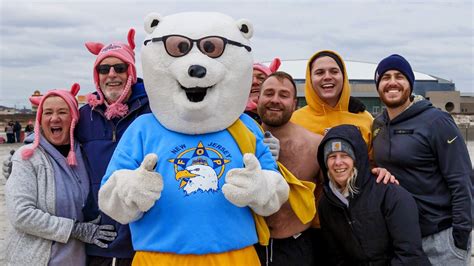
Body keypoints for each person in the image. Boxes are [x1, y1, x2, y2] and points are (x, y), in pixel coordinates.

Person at [372, 54, 473, 265]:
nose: (392, 82)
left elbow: (461, 179)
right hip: (401, 239)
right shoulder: (378, 126)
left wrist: (460, 235)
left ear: (410, 82)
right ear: (378, 85)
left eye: (399, 76)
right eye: (385, 77)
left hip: (440, 238)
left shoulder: (436, 121)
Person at [5, 84, 116, 266]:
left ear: (74, 118)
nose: (54, 118)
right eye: (48, 113)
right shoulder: (28, 157)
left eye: (62, 112)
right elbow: (21, 215)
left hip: (75, 259)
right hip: (34, 259)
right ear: (40, 119)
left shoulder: (84, 155)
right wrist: (75, 229)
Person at [77, 28, 151, 265]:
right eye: (103, 69)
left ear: (131, 72)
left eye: (120, 68)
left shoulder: (153, 110)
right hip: (99, 235)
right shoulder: (84, 116)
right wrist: (26, 155)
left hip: (144, 234)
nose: (112, 74)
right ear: (96, 75)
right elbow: (57, 143)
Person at [317, 124, 430, 265]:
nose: (338, 162)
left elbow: (409, 255)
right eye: (332, 156)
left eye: (345, 155)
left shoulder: (390, 194)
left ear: (357, 158)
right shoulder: (326, 204)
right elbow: (335, 257)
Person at [254, 71, 323, 266]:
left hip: (296, 246)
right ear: (257, 99)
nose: (275, 100)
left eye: (283, 95)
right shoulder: (238, 140)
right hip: (249, 245)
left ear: (294, 103)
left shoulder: (314, 145)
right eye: (269, 93)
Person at [244, 58, 281, 124]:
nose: (254, 82)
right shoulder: (232, 118)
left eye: (261, 78)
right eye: (249, 78)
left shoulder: (283, 116)